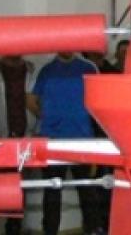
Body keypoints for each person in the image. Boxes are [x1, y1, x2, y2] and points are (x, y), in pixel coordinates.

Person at [29, 53, 103, 235]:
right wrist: (49, 118)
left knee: (87, 189)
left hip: (82, 140)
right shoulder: (46, 69)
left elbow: (100, 98)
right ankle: (50, 231)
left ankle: (93, 229)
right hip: (53, 140)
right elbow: (30, 99)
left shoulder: (89, 67)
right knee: (52, 190)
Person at [0, 55, 36, 235]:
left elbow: (40, 103)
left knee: (19, 192)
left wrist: (33, 134)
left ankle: (14, 230)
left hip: (23, 142)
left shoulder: (33, 72)